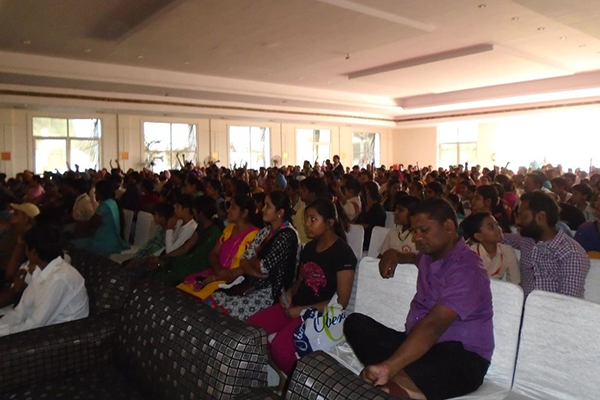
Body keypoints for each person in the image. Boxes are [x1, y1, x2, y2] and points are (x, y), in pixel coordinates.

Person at [344, 198, 493, 399]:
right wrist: (393, 253)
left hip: (461, 357)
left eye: (424, 230)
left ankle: (397, 381)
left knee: (430, 357)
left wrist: (390, 365)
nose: (416, 237)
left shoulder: (468, 269)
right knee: (356, 324)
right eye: (415, 231)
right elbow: (413, 257)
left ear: (449, 226)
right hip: (421, 345)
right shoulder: (429, 255)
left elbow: (434, 325)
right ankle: (403, 376)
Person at [247, 198, 356, 374]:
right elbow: (300, 280)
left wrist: (303, 310)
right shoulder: (310, 248)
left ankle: (300, 382)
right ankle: (260, 374)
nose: (307, 224)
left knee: (281, 349)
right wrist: (290, 293)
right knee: (251, 329)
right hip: (296, 306)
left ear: (329, 223)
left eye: (313, 219)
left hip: (317, 315)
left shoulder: (343, 254)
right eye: (307, 219)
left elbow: (341, 302)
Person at [209, 191, 301, 321]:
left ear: (280, 212)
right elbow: (244, 259)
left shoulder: (286, 235)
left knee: (223, 313)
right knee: (212, 300)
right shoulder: (266, 231)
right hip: (252, 284)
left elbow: (262, 267)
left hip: (271, 292)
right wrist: (254, 268)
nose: (262, 209)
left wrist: (252, 263)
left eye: (268, 206)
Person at [0, 225, 88, 336]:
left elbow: (35, 325)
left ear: (33, 252)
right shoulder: (40, 271)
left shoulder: (59, 279)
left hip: (64, 336)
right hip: (44, 327)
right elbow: (21, 311)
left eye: (25, 247)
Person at [504, 191, 590, 298]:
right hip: (522, 305)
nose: (518, 221)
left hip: (553, 307)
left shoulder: (571, 253)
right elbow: (500, 238)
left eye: (523, 216)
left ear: (540, 217)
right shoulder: (527, 239)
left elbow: (568, 301)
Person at [185, 195, 261, 294]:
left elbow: (248, 266)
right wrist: (218, 270)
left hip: (233, 280)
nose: (228, 210)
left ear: (244, 213)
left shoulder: (255, 235)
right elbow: (213, 253)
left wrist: (218, 277)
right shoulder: (229, 229)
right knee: (186, 287)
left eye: (233, 207)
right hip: (216, 272)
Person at [150, 196, 223, 286]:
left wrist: (171, 261)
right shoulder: (201, 226)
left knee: (167, 272)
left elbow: (199, 255)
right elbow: (185, 247)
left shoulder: (214, 232)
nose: (193, 211)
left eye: (195, 209)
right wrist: (164, 257)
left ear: (201, 213)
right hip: (189, 259)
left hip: (198, 264)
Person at [72, 180, 130, 257]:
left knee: (78, 243)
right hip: (113, 239)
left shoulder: (105, 205)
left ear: (101, 192)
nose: (95, 193)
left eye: (96, 191)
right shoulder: (113, 202)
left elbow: (93, 224)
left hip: (105, 241)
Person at [461, 212, 520, 284]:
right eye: (491, 227)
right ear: (479, 236)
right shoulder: (471, 255)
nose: (498, 229)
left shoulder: (507, 251)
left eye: (497, 224)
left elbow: (515, 282)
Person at [294, 177, 327, 244]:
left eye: (304, 190)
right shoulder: (301, 210)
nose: (300, 191)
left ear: (312, 194)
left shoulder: (322, 213)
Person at [356, 181, 386, 251]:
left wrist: (359, 226)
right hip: (360, 238)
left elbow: (373, 226)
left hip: (371, 240)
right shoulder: (364, 207)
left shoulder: (378, 209)